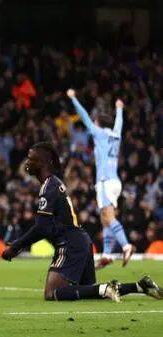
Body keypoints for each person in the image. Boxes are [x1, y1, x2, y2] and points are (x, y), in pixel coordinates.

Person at [1, 142, 160, 302]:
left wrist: (16, 247)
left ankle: (107, 289)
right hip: (80, 240)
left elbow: (42, 227)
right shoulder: (53, 183)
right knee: (91, 292)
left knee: (52, 293)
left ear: (42, 162)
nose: (27, 162)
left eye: (31, 159)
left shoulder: (49, 186)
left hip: (70, 244)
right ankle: (140, 286)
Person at [67, 89, 133, 268]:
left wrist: (73, 98)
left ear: (99, 124)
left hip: (105, 181)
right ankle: (107, 254)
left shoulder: (99, 133)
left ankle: (126, 245)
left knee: (108, 217)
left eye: (95, 122)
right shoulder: (116, 134)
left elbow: (84, 116)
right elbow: (119, 123)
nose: (93, 124)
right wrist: (119, 109)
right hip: (114, 181)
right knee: (104, 219)